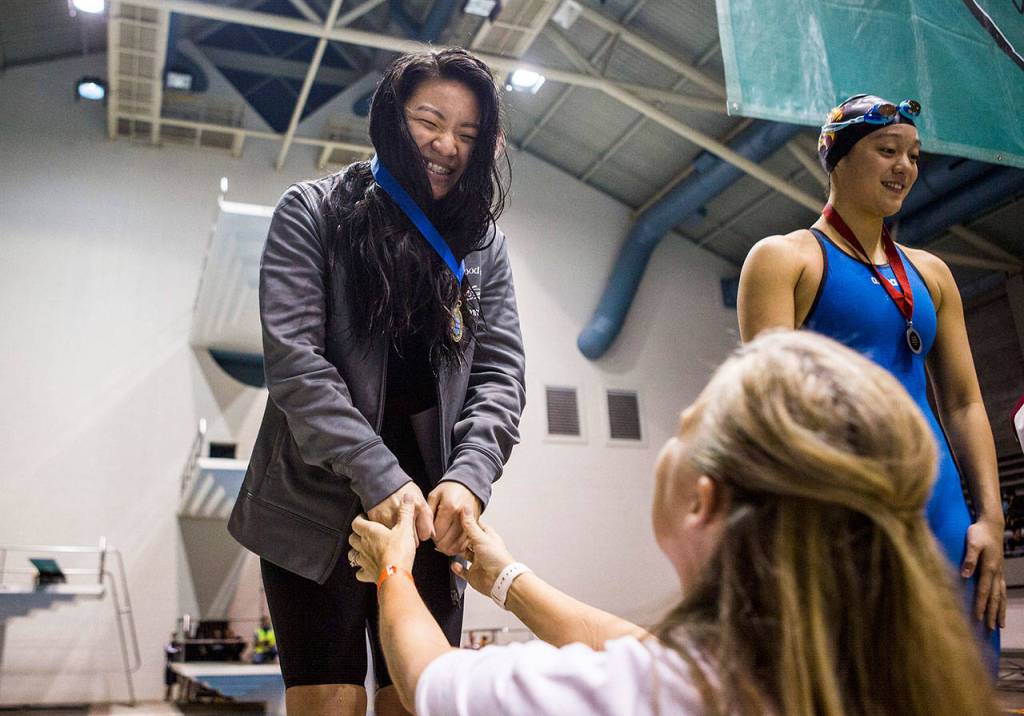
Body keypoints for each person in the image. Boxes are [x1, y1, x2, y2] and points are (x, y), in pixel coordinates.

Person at [348, 331, 999, 715]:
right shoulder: (875, 671)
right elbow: (639, 645)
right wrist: (504, 577)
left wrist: (393, 566)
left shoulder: (662, 694)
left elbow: (430, 680)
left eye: (685, 426)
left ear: (702, 502)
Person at [227, 47, 526, 716]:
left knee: (416, 697)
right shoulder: (311, 211)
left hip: (431, 514)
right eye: (430, 120)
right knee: (328, 697)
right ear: (393, 117)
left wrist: (469, 476)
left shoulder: (483, 243)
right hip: (313, 499)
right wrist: (378, 474)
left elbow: (501, 374)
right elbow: (297, 365)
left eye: (468, 135)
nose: (446, 145)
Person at [736, 94, 1005, 658]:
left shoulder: (931, 274)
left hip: (944, 513)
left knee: (966, 678)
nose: (905, 166)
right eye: (887, 151)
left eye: (913, 155)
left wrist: (992, 519)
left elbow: (963, 402)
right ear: (837, 158)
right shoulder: (785, 260)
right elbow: (768, 415)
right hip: (845, 514)